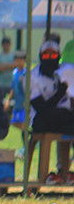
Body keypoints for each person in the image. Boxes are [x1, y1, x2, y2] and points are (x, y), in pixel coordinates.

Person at [29, 40, 74, 185]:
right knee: (53, 115)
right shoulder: (33, 76)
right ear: (40, 56)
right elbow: (40, 107)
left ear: (59, 56)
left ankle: (64, 172)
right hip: (41, 119)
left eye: (53, 55)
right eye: (45, 55)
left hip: (65, 118)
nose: (49, 58)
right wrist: (60, 92)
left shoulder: (66, 72)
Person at [9, 50, 27, 127]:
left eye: (21, 59)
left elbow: (28, 89)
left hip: (23, 103)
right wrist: (9, 100)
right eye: (17, 59)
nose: (19, 62)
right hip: (17, 103)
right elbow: (13, 87)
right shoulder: (15, 72)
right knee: (13, 122)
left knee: (23, 122)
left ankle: (27, 136)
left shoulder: (26, 73)